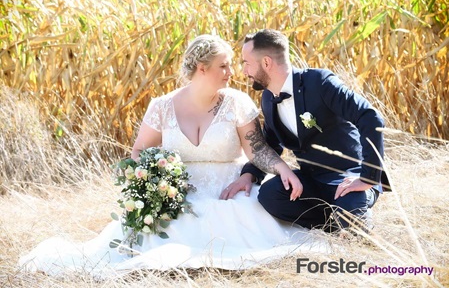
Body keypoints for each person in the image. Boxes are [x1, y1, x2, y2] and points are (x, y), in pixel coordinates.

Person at [18, 34, 328, 279]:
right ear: (201, 69)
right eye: (223, 66)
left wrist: (282, 169)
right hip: (178, 192)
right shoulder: (162, 106)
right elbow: (140, 151)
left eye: (232, 65)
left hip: (228, 192)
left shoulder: (236, 102)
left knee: (260, 235)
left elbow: (256, 148)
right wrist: (153, 180)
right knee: (149, 236)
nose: (231, 73)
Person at [237, 29, 389, 233]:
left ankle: (353, 211)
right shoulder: (268, 98)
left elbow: (370, 117)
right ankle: (331, 223)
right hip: (311, 181)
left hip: (347, 177)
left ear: (266, 63)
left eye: (247, 63)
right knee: (269, 195)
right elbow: (270, 143)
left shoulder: (320, 82)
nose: (244, 71)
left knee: (354, 225)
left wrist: (367, 177)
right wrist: (250, 174)